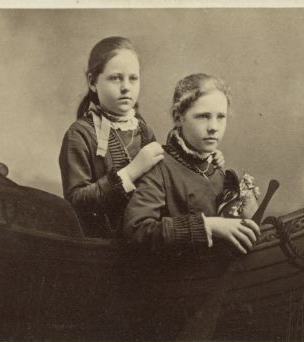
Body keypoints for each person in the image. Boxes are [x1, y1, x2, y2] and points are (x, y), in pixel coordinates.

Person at [59, 37, 227, 238]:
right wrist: (130, 172)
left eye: (133, 78)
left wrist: (206, 157)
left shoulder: (142, 129)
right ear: (93, 82)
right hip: (103, 243)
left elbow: (167, 165)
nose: (126, 87)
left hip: (143, 234)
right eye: (115, 78)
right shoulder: (80, 134)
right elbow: (76, 203)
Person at [123, 73, 261, 255]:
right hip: (176, 278)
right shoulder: (159, 166)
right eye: (203, 116)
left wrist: (244, 209)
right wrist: (208, 226)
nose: (214, 127)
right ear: (178, 117)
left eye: (221, 117)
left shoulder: (216, 168)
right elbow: (136, 231)